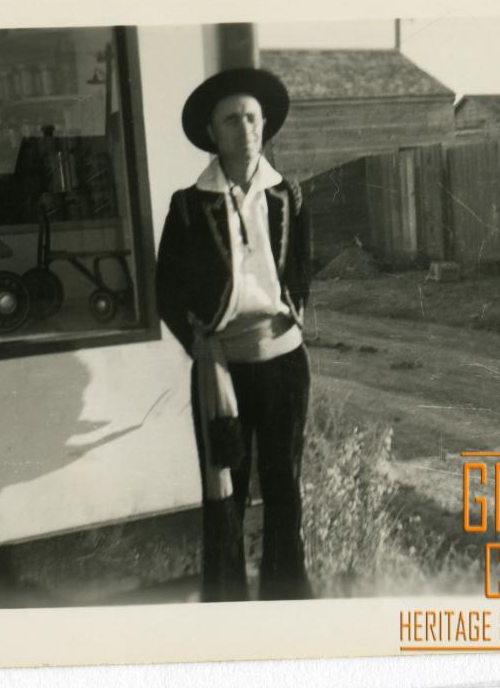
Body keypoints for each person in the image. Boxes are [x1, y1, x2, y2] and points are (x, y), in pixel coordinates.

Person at [155, 67, 313, 602]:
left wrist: (288, 316)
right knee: (226, 492)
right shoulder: (186, 205)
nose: (244, 127)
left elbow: (301, 272)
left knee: (284, 486)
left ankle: (287, 600)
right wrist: (204, 344)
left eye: (251, 116)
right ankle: (226, 607)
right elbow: (166, 289)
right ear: (213, 132)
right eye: (231, 118)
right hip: (221, 371)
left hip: (284, 363)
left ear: (264, 125)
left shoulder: (288, 196)